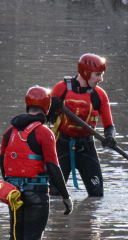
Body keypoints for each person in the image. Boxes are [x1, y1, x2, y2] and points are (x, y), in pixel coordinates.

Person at [0, 86, 73, 240]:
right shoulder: (44, 133)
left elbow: (2, 162)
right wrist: (66, 197)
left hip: (13, 194)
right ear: (47, 107)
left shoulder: (9, 132)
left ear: (27, 105)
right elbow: (53, 167)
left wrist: (9, 185)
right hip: (37, 195)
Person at [48, 53, 116, 197]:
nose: (101, 79)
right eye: (97, 74)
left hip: (87, 147)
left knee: (97, 195)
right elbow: (43, 119)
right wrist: (51, 108)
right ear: (86, 72)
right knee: (54, 196)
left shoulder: (100, 95)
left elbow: (109, 126)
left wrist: (110, 137)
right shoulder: (60, 89)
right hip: (62, 146)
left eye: (101, 74)